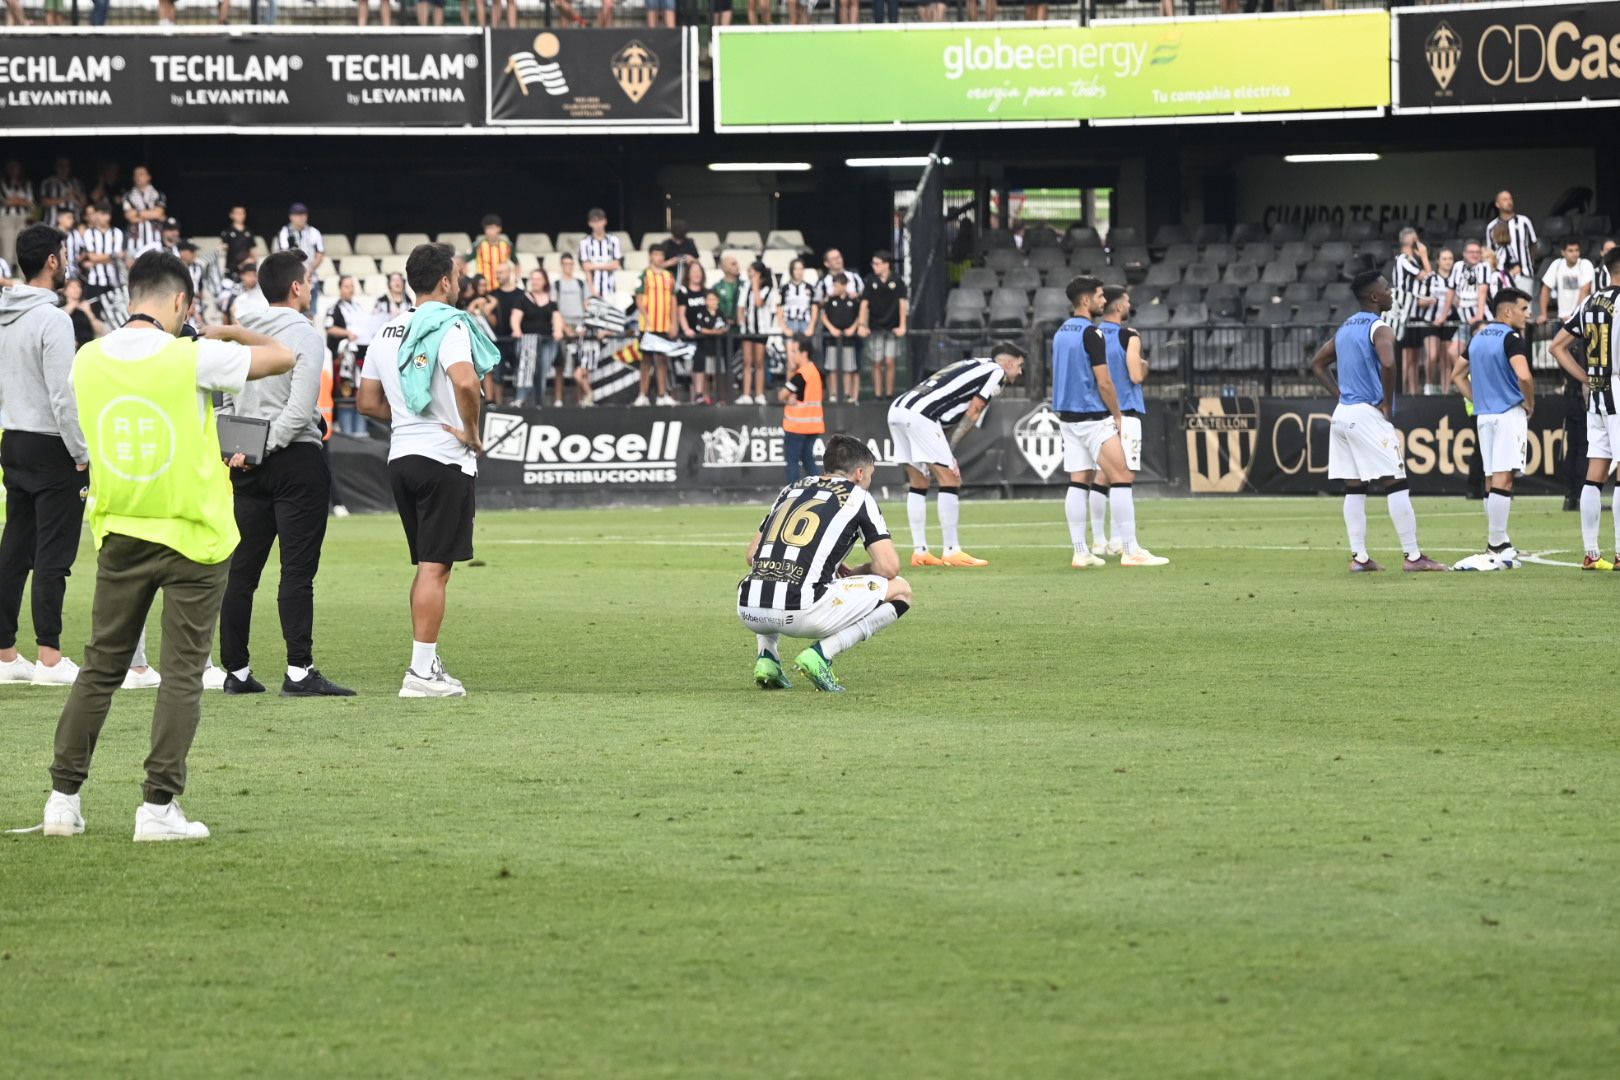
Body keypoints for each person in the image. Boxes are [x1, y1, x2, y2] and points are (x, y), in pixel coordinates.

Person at [39, 250, 294, 841]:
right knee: (182, 675)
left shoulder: (88, 358)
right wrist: (226, 331)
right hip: (193, 535)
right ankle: (157, 808)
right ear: (180, 302)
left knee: (99, 669)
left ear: (130, 297)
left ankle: (62, 800)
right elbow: (286, 355)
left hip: (121, 527)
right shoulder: (193, 355)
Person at [356, 244, 497, 698]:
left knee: (427, 567)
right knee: (435, 569)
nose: (459, 284)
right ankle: (419, 673)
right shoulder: (451, 324)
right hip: (443, 457)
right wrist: (472, 433)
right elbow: (466, 381)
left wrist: (406, 420)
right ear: (444, 282)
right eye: (456, 277)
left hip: (401, 458)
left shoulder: (386, 330)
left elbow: (367, 402)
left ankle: (426, 661)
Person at [218, 249, 354, 698]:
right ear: (296, 287)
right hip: (293, 459)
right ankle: (299, 671)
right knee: (296, 572)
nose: (311, 288)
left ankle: (235, 671)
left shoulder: (243, 335)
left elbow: (224, 399)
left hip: (246, 463)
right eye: (308, 282)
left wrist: (241, 449)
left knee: (242, 572)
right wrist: (266, 447)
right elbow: (298, 410)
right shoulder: (305, 335)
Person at [736, 433, 910, 694]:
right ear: (860, 473)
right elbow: (889, 568)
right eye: (871, 475)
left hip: (749, 609)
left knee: (771, 571)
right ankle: (822, 654)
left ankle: (768, 658)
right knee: (901, 589)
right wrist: (858, 571)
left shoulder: (791, 489)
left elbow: (753, 555)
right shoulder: (859, 497)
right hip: (804, 612)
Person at [1309, 271, 1449, 573]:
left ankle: (1359, 558)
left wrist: (1340, 394)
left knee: (1355, 487)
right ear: (1374, 297)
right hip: (1367, 415)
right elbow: (1388, 362)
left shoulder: (1345, 328)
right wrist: (1386, 401)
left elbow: (1317, 364)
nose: (1391, 292)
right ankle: (1414, 557)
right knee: (1396, 482)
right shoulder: (1380, 327)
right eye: (1387, 288)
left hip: (1343, 415)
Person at [0, 225, 90, 686]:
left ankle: (5, 653)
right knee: (53, 553)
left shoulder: (5, 313)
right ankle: (50, 658)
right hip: (52, 444)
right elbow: (63, 395)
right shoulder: (53, 320)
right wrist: (81, 451)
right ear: (53, 261)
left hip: (13, 437)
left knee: (15, 548)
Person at [1053, 278, 1164, 570]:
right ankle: (1130, 549)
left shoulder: (1061, 331)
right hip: (1092, 416)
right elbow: (1104, 381)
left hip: (1067, 416)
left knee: (1079, 481)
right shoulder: (1092, 334)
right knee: (1123, 476)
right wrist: (1115, 414)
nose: (1104, 301)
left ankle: (1081, 550)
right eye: (1100, 296)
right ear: (1086, 301)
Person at [889, 344, 1025, 569]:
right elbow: (975, 410)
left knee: (919, 481)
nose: (1020, 373)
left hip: (898, 408)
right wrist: (949, 451)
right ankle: (952, 550)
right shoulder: (996, 372)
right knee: (950, 478)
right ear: (1008, 362)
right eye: (1019, 366)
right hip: (922, 415)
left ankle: (920, 551)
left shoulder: (973, 363)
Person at [1450, 287, 1535, 569]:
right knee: (1504, 478)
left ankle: (1501, 540)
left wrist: (1478, 399)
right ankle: (1496, 544)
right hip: (1508, 413)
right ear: (1508, 311)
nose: (1528, 314)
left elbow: (1456, 375)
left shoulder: (1477, 338)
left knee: (1490, 479)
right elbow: (1523, 375)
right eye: (1524, 309)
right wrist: (1529, 403)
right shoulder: (1512, 339)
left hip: (1484, 416)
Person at [1549, 246, 1620, 568]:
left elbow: (1557, 346)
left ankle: (1592, 553)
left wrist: (1586, 378)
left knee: (1596, 472)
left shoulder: (1589, 302)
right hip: (1618, 387)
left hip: (1598, 393)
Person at [1088, 285, 1164, 564]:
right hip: (1125, 411)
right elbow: (1135, 374)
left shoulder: (1092, 334)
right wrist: (1144, 364)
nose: (1130, 305)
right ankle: (1123, 542)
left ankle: (1098, 540)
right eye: (1128, 301)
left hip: (1099, 412)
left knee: (1101, 475)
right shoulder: (1129, 335)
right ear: (1119, 307)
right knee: (1123, 476)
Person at [510, 268, 564, 407]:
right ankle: (520, 399)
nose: (535, 281)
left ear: (544, 281)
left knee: (542, 370)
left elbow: (557, 318)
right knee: (526, 369)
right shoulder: (523, 299)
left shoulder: (551, 300)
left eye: (538, 279)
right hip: (527, 341)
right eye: (533, 278)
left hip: (546, 341)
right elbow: (516, 317)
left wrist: (558, 331)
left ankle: (538, 401)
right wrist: (517, 331)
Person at [633, 242, 679, 407]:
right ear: (650, 256)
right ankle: (643, 395)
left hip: (664, 325)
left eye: (661, 255)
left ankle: (662, 394)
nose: (658, 258)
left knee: (662, 360)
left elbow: (673, 301)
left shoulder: (669, 277)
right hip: (648, 326)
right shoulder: (644, 275)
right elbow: (638, 299)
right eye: (655, 254)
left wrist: (674, 323)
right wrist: (647, 317)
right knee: (646, 360)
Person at [860, 250, 907, 399]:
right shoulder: (870, 281)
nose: (875, 266)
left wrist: (902, 325)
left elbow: (902, 303)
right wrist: (863, 324)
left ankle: (889, 393)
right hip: (875, 328)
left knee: (890, 361)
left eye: (877, 263)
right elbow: (864, 304)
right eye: (873, 263)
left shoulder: (897, 281)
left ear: (886, 265)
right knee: (877, 362)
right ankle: (878, 393)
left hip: (892, 327)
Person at [778, 333, 823, 483]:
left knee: (792, 461)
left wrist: (790, 399)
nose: (793, 355)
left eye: (795, 352)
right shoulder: (814, 372)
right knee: (808, 460)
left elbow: (782, 394)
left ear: (804, 353)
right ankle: (820, 489)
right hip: (813, 426)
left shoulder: (801, 375)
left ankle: (792, 493)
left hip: (797, 426)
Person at [273, 203, 326, 314]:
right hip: (291, 280)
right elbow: (284, 254)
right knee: (293, 313)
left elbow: (320, 253)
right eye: (298, 214)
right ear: (291, 216)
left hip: (311, 278)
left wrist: (310, 269)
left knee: (310, 313)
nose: (301, 217)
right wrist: (297, 271)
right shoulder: (284, 233)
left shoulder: (314, 232)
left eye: (303, 214)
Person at [820, 272, 861, 404]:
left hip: (848, 340)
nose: (835, 288)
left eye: (837, 285)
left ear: (844, 285)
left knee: (848, 368)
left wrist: (853, 328)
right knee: (832, 368)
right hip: (833, 340)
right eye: (834, 285)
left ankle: (847, 394)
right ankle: (833, 394)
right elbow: (824, 316)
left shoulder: (853, 301)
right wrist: (832, 329)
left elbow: (859, 316)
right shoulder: (831, 301)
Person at [1539, 238, 1595, 333]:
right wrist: (1543, 314)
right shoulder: (1557, 264)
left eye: (1577, 250)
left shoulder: (1585, 264)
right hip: (1562, 319)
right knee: (1556, 347)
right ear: (1563, 252)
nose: (1574, 254)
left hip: (1582, 319)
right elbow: (1546, 289)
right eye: (1570, 250)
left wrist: (1574, 316)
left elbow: (1585, 290)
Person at [676, 260, 712, 403]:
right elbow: (681, 314)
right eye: (693, 272)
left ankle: (705, 395)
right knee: (696, 363)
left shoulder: (706, 292)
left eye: (699, 272)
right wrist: (686, 329)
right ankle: (697, 394)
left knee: (707, 365)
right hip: (690, 336)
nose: (696, 274)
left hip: (706, 335)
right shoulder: (684, 292)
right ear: (688, 275)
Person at [690, 288, 730, 405]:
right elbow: (701, 329)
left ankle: (720, 397)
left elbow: (725, 327)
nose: (712, 302)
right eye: (709, 299)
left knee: (718, 375)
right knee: (706, 374)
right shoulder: (702, 313)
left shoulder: (720, 313)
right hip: (706, 349)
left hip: (718, 350)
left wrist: (720, 331)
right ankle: (705, 395)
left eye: (714, 299)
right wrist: (714, 332)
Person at [1486, 190, 1538, 275]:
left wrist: (1530, 264)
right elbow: (1491, 252)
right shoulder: (1491, 227)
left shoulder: (1524, 221)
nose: (1509, 202)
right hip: (1501, 276)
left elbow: (1534, 245)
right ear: (1497, 204)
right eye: (1505, 199)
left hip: (1525, 273)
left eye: (1510, 199)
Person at [122, 165, 166, 256]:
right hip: (135, 239)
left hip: (155, 238)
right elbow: (130, 217)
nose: (138, 177)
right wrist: (151, 213)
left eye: (141, 174)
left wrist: (137, 212)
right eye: (136, 175)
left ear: (148, 177)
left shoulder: (158, 194)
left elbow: (158, 213)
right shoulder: (127, 195)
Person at [579, 207, 622, 301]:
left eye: (599, 221)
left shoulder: (614, 240)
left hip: (611, 288)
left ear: (605, 221)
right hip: (593, 289)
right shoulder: (585, 242)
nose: (597, 224)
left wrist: (593, 265)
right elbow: (586, 267)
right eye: (594, 221)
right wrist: (592, 290)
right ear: (590, 224)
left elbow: (615, 265)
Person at [0, 160, 34, 270]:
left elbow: (31, 202)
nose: (13, 170)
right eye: (10, 167)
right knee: (7, 252)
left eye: (15, 167)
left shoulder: (26, 183)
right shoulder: (2, 183)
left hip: (23, 219)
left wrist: (14, 200)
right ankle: (6, 281)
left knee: (22, 250)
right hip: (7, 219)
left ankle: (22, 282)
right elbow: (5, 202)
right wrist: (22, 200)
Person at [471, 214, 515, 287]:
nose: (489, 231)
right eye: (487, 229)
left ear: (499, 228)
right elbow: (464, 261)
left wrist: (514, 278)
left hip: (501, 287)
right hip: (484, 288)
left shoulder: (507, 246)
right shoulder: (478, 246)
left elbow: (516, 263)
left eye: (492, 228)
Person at [778, 258, 817, 337]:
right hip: (789, 321)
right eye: (796, 269)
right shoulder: (784, 288)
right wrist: (784, 327)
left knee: (804, 348)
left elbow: (814, 307)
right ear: (791, 271)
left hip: (805, 322)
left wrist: (811, 326)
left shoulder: (810, 288)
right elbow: (779, 308)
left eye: (801, 269)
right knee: (790, 348)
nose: (799, 272)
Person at [220, 204, 255, 281]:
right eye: (238, 213)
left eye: (242, 213)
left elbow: (253, 250)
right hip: (232, 269)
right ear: (231, 215)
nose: (241, 215)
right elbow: (223, 248)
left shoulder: (249, 232)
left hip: (246, 269)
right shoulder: (227, 232)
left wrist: (253, 260)